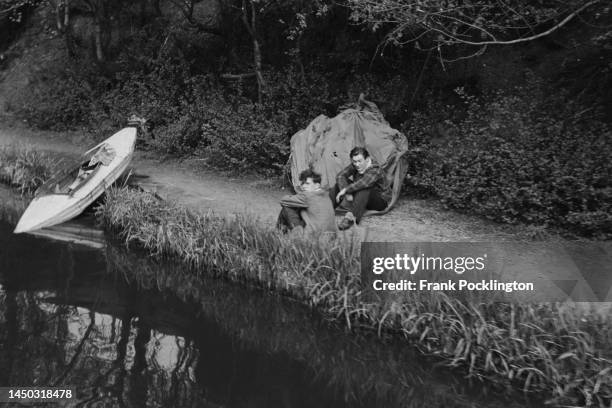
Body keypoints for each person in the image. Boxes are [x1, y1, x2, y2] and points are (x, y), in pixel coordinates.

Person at [330, 146, 390, 230]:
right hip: (362, 198)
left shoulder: (375, 169)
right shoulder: (355, 165)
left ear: (367, 159)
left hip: (379, 200)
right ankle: (327, 209)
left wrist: (346, 190)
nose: (357, 164)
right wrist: (344, 189)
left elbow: (364, 183)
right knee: (338, 184)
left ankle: (350, 218)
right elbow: (340, 175)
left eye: (359, 161)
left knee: (364, 186)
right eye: (354, 161)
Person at [277, 169, 337, 234]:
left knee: (287, 208)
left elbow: (283, 200)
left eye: (307, 183)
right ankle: (287, 233)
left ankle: (280, 233)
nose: (304, 186)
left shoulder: (308, 196)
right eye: (303, 183)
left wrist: (299, 195)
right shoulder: (326, 195)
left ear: (317, 185)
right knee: (300, 207)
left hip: (315, 235)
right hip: (332, 235)